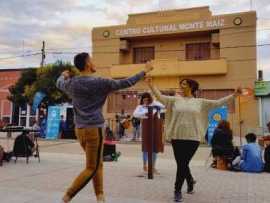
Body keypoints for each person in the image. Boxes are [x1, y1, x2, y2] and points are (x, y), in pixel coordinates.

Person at [56, 53, 153, 203]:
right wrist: (144, 71)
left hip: (79, 130)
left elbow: (59, 83)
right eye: (92, 60)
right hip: (94, 129)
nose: (95, 63)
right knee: (91, 167)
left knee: (96, 164)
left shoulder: (71, 83)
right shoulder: (100, 82)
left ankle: (100, 197)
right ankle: (67, 196)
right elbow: (126, 83)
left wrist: (63, 75)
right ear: (88, 63)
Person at [146, 76, 241, 202]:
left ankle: (177, 190)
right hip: (177, 136)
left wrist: (234, 95)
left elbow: (218, 103)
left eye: (184, 84)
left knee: (182, 164)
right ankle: (190, 181)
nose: (181, 86)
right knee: (182, 163)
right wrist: (151, 85)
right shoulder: (174, 100)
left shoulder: (200, 102)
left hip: (193, 137)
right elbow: (160, 97)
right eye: (181, 84)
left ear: (191, 87)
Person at [133, 92, 165, 175]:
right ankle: (145, 165)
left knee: (155, 147)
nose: (145, 101)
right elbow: (135, 114)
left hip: (156, 127)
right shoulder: (140, 107)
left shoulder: (156, 104)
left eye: (147, 99)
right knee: (146, 147)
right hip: (146, 128)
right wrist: (146, 113)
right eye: (144, 99)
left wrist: (154, 104)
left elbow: (164, 107)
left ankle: (153, 166)